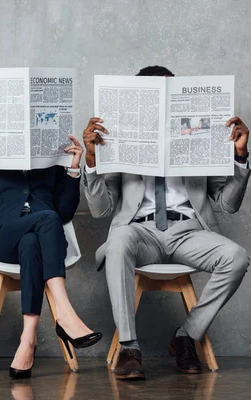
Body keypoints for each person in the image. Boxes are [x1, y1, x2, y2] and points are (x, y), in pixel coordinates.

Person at [83, 65, 250, 380]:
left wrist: (239, 157)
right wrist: (92, 162)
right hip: (139, 231)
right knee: (118, 240)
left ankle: (187, 335)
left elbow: (227, 204)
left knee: (237, 257)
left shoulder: (199, 132)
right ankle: (129, 348)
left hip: (189, 232)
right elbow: (101, 210)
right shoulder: (120, 135)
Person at [0, 136, 103, 379]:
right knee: (48, 218)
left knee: (31, 242)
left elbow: (66, 212)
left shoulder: (52, 160)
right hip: (2, 237)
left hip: (41, 242)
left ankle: (27, 340)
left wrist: (72, 169)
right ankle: (65, 314)